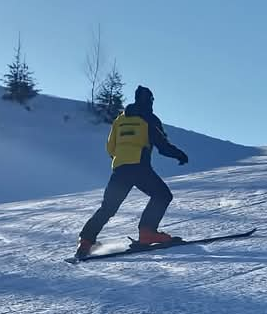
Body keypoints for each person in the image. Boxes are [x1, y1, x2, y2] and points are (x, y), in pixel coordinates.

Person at [76, 85, 189, 259]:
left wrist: (122, 157)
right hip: (139, 167)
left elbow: (110, 148)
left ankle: (86, 242)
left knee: (108, 207)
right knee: (162, 195)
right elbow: (162, 145)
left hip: (120, 168)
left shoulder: (120, 119)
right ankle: (147, 233)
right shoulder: (149, 118)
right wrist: (180, 155)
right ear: (150, 101)